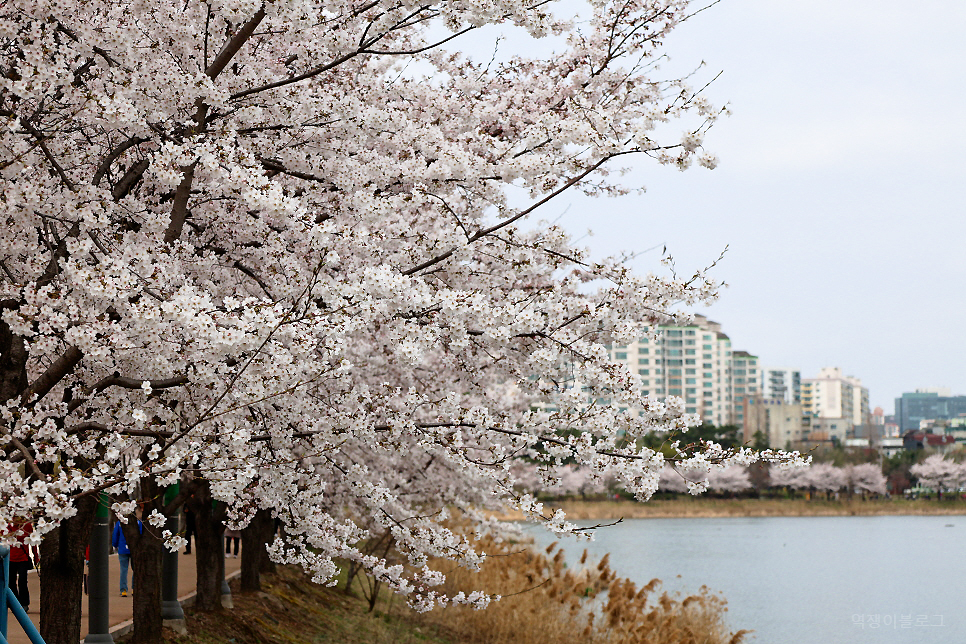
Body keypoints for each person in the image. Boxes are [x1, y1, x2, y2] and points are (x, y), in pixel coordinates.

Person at [7, 519, 39, 612]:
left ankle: (24, 603)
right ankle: (15, 602)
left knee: (22, 581)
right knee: (11, 582)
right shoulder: (7, 527)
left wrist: (36, 557)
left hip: (23, 559)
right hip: (10, 559)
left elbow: (33, 543)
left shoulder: (27, 526)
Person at [112, 518, 142, 597]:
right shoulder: (138, 523)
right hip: (134, 549)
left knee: (123, 570)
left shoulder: (120, 523)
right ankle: (134, 588)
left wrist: (115, 545)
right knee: (136, 569)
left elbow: (115, 535)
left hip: (122, 549)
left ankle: (123, 590)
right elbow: (141, 535)